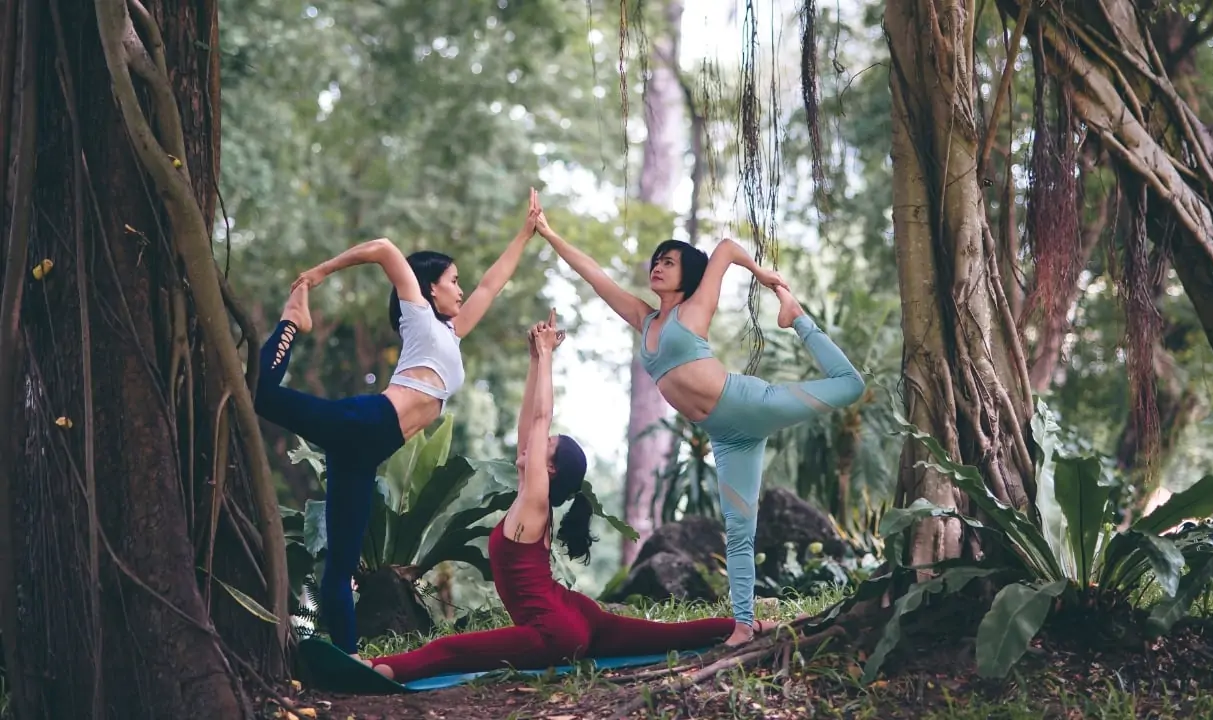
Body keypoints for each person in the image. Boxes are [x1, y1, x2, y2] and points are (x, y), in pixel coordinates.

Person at [368, 312, 772, 682]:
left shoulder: (534, 505)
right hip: (577, 613)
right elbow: (533, 425)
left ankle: (380, 669)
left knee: (451, 649)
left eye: (545, 445)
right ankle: (753, 626)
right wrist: (533, 360)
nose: (531, 443)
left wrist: (548, 356)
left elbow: (541, 419)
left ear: (551, 470)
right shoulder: (530, 498)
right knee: (666, 635)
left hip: (554, 632)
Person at [533, 210, 865, 647]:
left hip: (750, 403)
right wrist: (550, 231)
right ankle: (743, 626)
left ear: (686, 273)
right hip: (726, 436)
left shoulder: (694, 308)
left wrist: (765, 276)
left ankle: (798, 317)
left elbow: (726, 249)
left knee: (850, 385)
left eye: (669, 261)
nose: (658, 265)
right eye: (656, 259)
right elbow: (594, 275)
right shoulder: (646, 319)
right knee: (739, 529)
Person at [255, 189, 543, 663]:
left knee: (341, 567)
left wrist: (525, 232)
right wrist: (322, 272)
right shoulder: (418, 316)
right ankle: (291, 321)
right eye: (453, 281)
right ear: (430, 288)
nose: (461, 288)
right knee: (261, 392)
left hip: (365, 450)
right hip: (364, 421)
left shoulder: (450, 332)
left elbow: (493, 285)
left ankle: (347, 660)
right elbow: (385, 249)